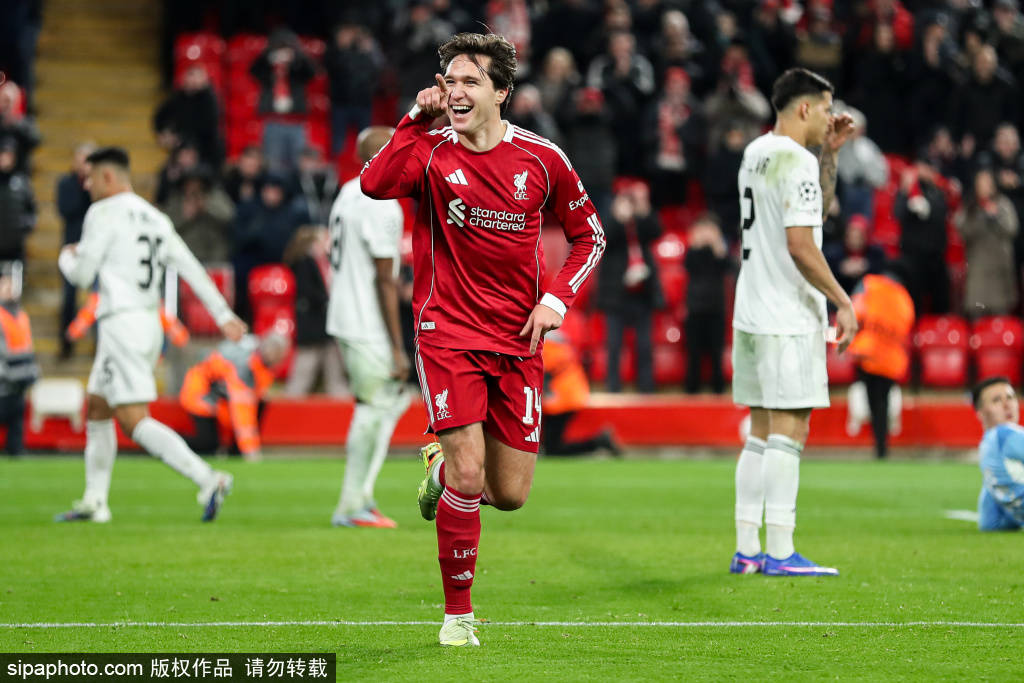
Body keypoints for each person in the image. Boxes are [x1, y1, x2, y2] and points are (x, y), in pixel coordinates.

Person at [359, 32, 605, 646]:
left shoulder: (542, 160)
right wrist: (413, 120)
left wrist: (555, 299)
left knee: (508, 493)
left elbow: (591, 235)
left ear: (501, 92)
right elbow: (374, 184)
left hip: (518, 339)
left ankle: (439, 469)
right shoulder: (430, 151)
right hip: (446, 332)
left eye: (471, 81)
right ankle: (457, 617)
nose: (457, 92)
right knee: (472, 478)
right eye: (450, 81)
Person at [55, 146, 246, 524]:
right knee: (98, 406)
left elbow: (81, 275)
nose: (87, 185)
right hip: (146, 322)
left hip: (121, 323)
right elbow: (191, 267)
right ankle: (95, 501)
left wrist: (66, 255)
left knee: (132, 419)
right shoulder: (155, 217)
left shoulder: (103, 212)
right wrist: (223, 314)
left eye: (90, 178)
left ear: (108, 177)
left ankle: (208, 478)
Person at [730, 68, 857, 577]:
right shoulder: (796, 160)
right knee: (791, 428)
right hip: (786, 313)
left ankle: (747, 549)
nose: (830, 116)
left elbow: (813, 214)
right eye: (825, 107)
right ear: (804, 108)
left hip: (751, 309)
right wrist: (842, 300)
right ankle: (781, 552)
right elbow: (802, 244)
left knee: (760, 432)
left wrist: (831, 153)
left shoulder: (756, 152)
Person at [326, 126, 412, 529]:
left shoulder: (348, 191)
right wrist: (397, 347)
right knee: (374, 405)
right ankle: (351, 504)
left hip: (344, 314)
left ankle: (360, 498)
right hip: (366, 321)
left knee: (388, 402)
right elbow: (384, 279)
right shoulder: (383, 203)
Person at [596, 181, 662, 393]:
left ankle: (646, 388)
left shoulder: (640, 223)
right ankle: (613, 387)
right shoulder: (608, 220)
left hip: (642, 295)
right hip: (616, 296)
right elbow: (604, 238)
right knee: (614, 344)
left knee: (644, 345)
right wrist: (617, 218)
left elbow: (656, 231)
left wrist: (644, 208)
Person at [179, 333, 289, 462]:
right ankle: (167, 443)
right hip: (200, 395)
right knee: (207, 444)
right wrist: (251, 451)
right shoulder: (245, 369)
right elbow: (243, 414)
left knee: (259, 404)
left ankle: (235, 451)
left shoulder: (256, 363)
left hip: (215, 396)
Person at [846, 265, 915, 459]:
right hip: (892, 360)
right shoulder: (903, 297)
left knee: (873, 401)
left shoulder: (869, 285)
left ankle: (879, 445)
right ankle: (882, 446)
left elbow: (855, 312)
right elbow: (907, 324)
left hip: (869, 354)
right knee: (883, 401)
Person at [283, 226, 347, 398]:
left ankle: (342, 406)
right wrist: (327, 300)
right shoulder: (304, 263)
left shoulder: (325, 263)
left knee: (335, 375)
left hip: (327, 328)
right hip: (313, 328)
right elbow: (308, 292)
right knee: (303, 373)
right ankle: (289, 406)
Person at [541, 330, 620, 457]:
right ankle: (599, 442)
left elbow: (544, 371)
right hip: (570, 394)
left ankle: (598, 442)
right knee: (551, 445)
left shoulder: (547, 348)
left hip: (561, 398)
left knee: (552, 448)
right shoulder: (558, 346)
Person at [957, 167, 1019, 318]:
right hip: (978, 273)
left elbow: (1012, 228)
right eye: (981, 183)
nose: (984, 187)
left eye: (987, 183)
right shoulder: (970, 206)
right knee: (978, 316)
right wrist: (979, 216)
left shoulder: (1003, 204)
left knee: (1000, 319)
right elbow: (962, 230)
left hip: (1000, 272)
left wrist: (995, 217)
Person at [56, 142, 95, 359]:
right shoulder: (66, 183)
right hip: (72, 246)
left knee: (98, 297)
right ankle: (66, 344)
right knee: (69, 298)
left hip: (95, 248)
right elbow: (65, 209)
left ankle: (99, 343)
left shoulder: (98, 185)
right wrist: (83, 189)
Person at [684, 214, 730, 394]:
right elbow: (689, 265)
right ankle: (692, 388)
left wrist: (717, 245)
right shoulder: (692, 252)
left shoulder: (718, 251)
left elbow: (727, 266)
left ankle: (718, 388)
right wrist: (696, 244)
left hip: (716, 309)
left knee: (716, 352)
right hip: (695, 309)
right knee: (693, 353)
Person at [971, 376, 1024, 531]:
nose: (1007, 405)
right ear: (981, 413)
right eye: (996, 400)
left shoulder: (986, 446)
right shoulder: (1003, 435)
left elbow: (988, 524)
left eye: (1010, 397)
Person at [0, 269, 38, 456]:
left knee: (16, 425)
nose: (10, 289)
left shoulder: (22, 315)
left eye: (11, 285)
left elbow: (29, 347)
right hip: (4, 380)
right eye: (5, 285)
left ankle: (15, 449)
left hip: (19, 382)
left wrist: (31, 373)